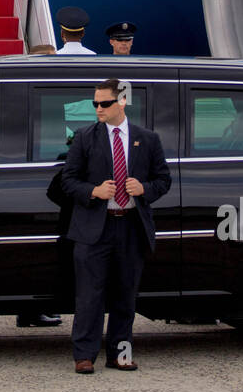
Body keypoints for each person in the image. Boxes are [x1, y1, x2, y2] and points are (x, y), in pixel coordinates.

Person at [60, 77, 172, 373]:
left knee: (125, 295)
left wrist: (144, 189)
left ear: (122, 101)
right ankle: (84, 355)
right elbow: (67, 181)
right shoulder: (84, 137)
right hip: (94, 229)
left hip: (130, 227)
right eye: (95, 103)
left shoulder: (147, 139)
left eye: (104, 103)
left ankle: (120, 354)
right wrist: (93, 191)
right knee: (89, 296)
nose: (98, 108)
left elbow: (164, 180)